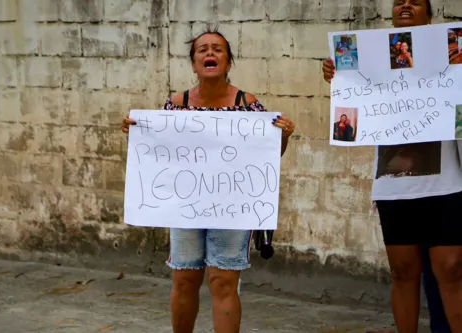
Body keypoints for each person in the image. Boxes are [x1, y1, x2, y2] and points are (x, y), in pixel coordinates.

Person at [121, 27, 295, 333]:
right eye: (202, 49)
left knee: (223, 281)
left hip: (231, 208)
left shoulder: (248, 104)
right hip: (185, 207)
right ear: (193, 63)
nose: (210, 52)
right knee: (184, 278)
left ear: (228, 63)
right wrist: (138, 132)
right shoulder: (175, 105)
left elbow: (265, 158)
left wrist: (283, 137)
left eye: (218, 49)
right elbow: (160, 155)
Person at [322, 1, 461, 332]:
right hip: (393, 184)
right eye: (400, 1)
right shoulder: (369, 57)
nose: (406, 5)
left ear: (430, 13)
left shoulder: (451, 52)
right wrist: (339, 77)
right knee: (402, 272)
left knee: (452, 269)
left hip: (445, 183)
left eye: (415, 1)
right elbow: (356, 106)